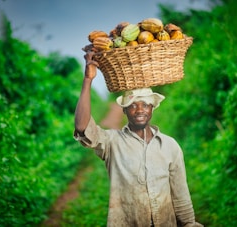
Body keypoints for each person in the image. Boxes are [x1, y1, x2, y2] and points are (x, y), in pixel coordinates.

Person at [74, 51, 203, 227]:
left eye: (145, 105)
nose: (139, 109)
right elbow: (82, 127)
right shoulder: (112, 142)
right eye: (132, 105)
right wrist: (88, 80)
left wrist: (189, 223)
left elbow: (180, 194)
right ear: (124, 111)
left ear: (152, 109)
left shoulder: (170, 146)